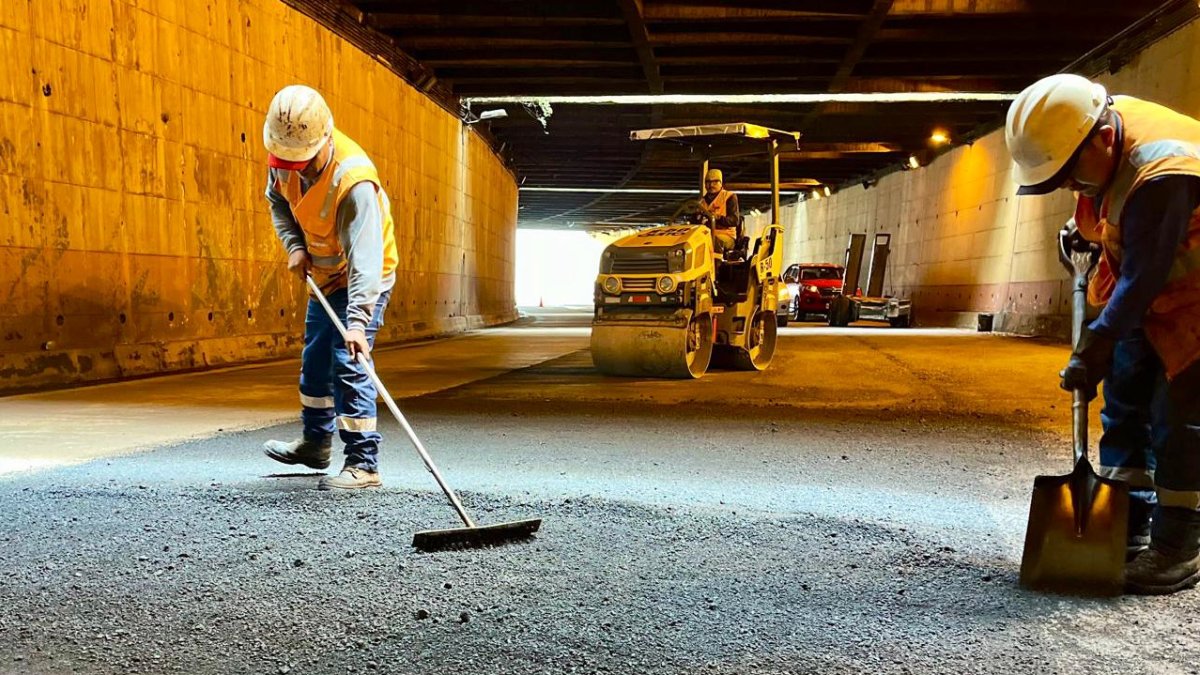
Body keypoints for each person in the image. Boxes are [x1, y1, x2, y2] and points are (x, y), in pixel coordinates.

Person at [1006, 73, 1200, 594]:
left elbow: (1144, 274)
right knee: (1125, 404)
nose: (1070, 187)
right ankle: (1125, 523)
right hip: (1155, 291)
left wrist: (1098, 341)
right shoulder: (1097, 127)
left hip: (1190, 300)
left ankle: (1177, 546)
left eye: (1071, 176)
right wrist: (1086, 229)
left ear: (1104, 138)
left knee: (1179, 418)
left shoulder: (1164, 171)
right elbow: (1115, 205)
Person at [260, 85, 399, 491]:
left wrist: (357, 323)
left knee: (348, 359)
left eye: (300, 162)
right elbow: (277, 201)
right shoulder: (284, 154)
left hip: (363, 277)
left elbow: (365, 261)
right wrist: (295, 246)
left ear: (322, 142)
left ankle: (363, 463)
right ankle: (315, 445)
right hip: (324, 275)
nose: (293, 169)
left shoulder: (354, 182)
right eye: (285, 161)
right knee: (316, 359)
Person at [696, 169, 742, 257]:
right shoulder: (701, 202)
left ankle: (716, 264)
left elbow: (734, 220)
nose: (711, 185)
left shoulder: (729, 197)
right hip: (706, 235)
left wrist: (718, 218)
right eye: (708, 182)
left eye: (715, 182)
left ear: (721, 183)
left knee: (714, 241)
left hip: (725, 235)